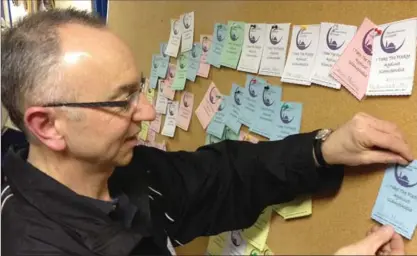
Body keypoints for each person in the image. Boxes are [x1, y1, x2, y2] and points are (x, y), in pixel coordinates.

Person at [0, 9, 411, 256]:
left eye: (139, 90)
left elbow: (219, 178)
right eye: (120, 101)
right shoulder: (31, 245)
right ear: (46, 125)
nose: (145, 111)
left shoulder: (116, 171)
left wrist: (320, 151)